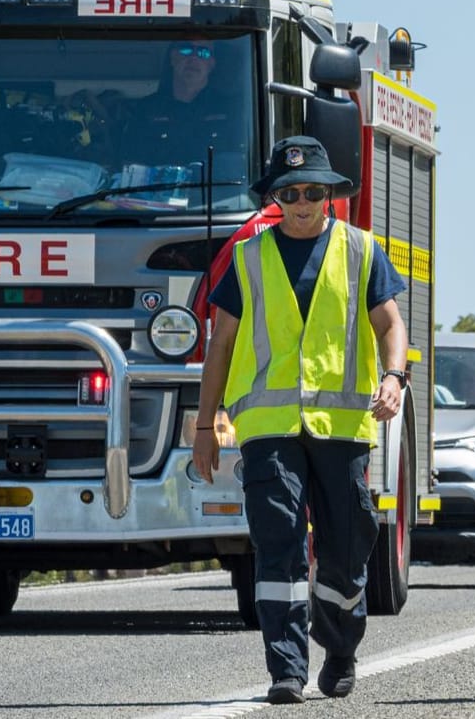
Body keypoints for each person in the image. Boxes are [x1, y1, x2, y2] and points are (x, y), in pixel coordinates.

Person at [193, 136, 407, 705]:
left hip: (341, 430)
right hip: (267, 430)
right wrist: (203, 425)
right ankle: (286, 667)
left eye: (314, 190)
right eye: (291, 192)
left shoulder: (362, 250)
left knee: (344, 549)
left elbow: (391, 324)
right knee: (278, 545)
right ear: (276, 198)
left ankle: (339, 648)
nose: (303, 200)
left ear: (330, 194)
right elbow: (221, 346)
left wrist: (394, 377)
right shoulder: (247, 259)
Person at [121, 37, 240, 165]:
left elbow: (240, 163)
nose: (193, 58)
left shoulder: (230, 109)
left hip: (212, 184)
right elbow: (131, 164)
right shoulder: (146, 109)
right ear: (172, 58)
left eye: (203, 53)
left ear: (212, 64)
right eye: (186, 50)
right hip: (159, 184)